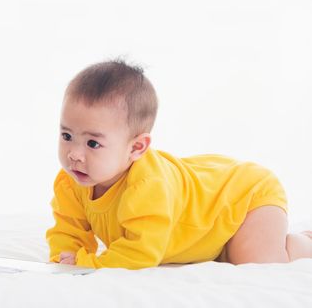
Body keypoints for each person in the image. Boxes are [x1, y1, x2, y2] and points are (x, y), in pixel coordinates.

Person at [46, 59, 312, 269]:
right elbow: (68, 229)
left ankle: (305, 242)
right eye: (67, 136)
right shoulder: (71, 181)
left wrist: (88, 263)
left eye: (93, 143)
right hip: (210, 220)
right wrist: (64, 258)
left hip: (245, 196)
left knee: (256, 262)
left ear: (136, 147)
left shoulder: (148, 186)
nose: (74, 154)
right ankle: (220, 244)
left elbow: (141, 252)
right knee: (228, 253)